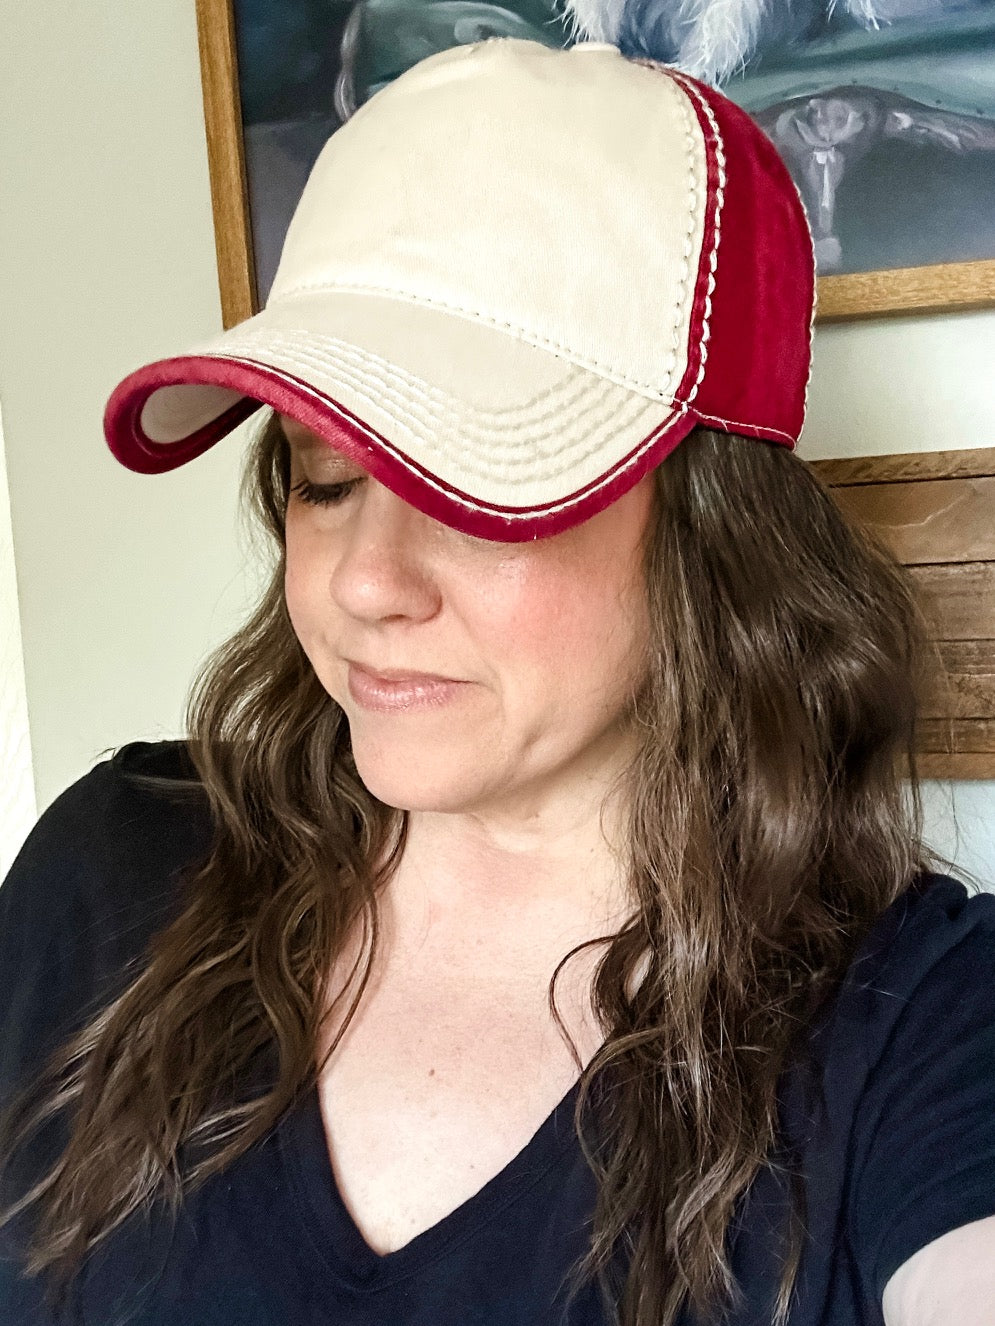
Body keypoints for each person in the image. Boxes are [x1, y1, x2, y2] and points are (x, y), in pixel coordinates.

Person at [1, 34, 993, 1326]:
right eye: (325, 476)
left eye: (470, 489)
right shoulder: (111, 872)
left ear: (714, 530)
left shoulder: (919, 1028)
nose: (365, 581)